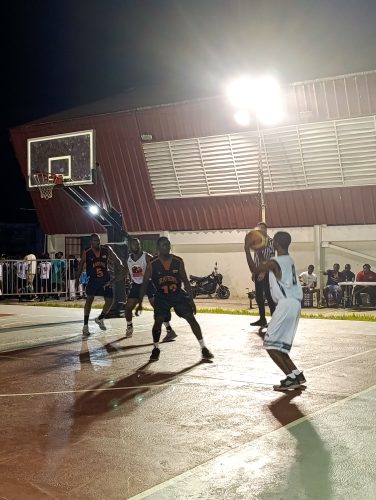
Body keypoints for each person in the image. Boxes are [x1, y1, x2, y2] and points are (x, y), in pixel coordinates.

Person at [135, 236, 214, 361]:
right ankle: (155, 348)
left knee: (191, 318)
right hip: (162, 296)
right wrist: (139, 302)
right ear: (158, 248)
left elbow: (186, 281)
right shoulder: (152, 263)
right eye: (164, 245)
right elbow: (144, 283)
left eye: (168, 244)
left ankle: (203, 347)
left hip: (178, 295)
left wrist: (192, 301)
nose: (167, 247)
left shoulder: (178, 261)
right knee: (158, 321)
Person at [245, 231, 305, 391]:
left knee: (270, 345)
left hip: (285, 306)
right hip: (294, 305)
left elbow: (255, 268)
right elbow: (269, 264)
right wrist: (258, 250)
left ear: (276, 244)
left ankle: (291, 378)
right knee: (279, 346)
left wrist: (246, 249)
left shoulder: (274, 262)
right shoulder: (288, 260)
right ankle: (296, 374)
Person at [125, 238, 177, 341]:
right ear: (130, 247)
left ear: (140, 245)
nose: (135, 247)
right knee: (127, 308)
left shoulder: (146, 256)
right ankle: (129, 326)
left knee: (157, 308)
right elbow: (125, 271)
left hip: (149, 283)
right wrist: (112, 280)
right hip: (136, 285)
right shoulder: (129, 259)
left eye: (137, 244)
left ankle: (170, 330)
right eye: (133, 245)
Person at [75, 233, 126, 336]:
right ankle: (85, 326)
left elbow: (117, 260)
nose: (97, 242)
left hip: (105, 279)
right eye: (94, 241)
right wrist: (77, 279)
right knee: (89, 301)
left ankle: (100, 318)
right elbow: (81, 265)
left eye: (98, 240)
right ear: (91, 242)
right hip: (93, 280)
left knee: (110, 300)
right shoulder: (87, 252)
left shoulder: (107, 249)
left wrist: (120, 263)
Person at [248, 222, 276, 327]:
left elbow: (271, 258)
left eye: (262, 229)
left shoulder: (271, 242)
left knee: (269, 296)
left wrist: (264, 272)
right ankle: (262, 319)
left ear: (266, 230)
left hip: (267, 271)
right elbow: (255, 258)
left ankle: (274, 320)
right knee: (259, 296)